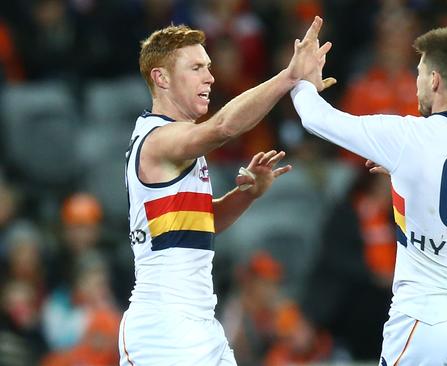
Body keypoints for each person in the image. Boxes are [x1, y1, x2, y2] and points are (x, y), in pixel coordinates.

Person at [291, 24, 447, 365]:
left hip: (423, 318)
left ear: (434, 79)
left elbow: (316, 119)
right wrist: (413, 173)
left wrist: (303, 81)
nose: (416, 82)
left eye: (418, 73)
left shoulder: (409, 137)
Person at [119, 17, 329, 365]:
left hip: (199, 324)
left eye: (209, 66)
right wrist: (290, 76)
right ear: (161, 78)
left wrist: (246, 195)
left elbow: (202, 223)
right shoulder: (159, 140)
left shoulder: (177, 141)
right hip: (165, 330)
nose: (210, 77)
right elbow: (224, 127)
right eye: (196, 67)